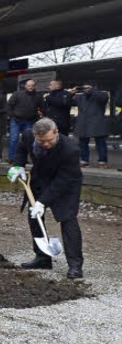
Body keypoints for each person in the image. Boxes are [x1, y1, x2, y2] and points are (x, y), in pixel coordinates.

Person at [7, 117, 84, 279]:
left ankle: (75, 265)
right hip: (40, 179)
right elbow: (21, 148)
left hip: (65, 184)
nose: (46, 144)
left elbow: (63, 181)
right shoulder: (28, 136)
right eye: (41, 141)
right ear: (35, 135)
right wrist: (18, 165)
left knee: (68, 219)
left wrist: (42, 202)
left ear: (56, 132)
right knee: (34, 217)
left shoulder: (71, 149)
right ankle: (42, 257)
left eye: (49, 140)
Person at [73, 83, 110, 168]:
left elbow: (103, 98)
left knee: (100, 143)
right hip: (83, 122)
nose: (86, 89)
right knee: (82, 143)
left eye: (88, 87)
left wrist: (93, 90)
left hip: (97, 123)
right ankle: (84, 160)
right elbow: (67, 102)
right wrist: (71, 93)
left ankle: (102, 161)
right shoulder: (80, 97)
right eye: (84, 88)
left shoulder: (102, 94)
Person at [7, 78, 43, 163]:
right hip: (16, 120)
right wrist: (12, 115)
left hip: (29, 121)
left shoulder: (38, 96)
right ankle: (12, 158)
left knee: (28, 140)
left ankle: (24, 158)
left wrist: (38, 117)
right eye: (29, 86)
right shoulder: (17, 94)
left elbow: (42, 108)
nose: (31, 87)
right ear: (25, 86)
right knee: (14, 139)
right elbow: (9, 105)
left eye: (32, 86)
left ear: (35, 86)